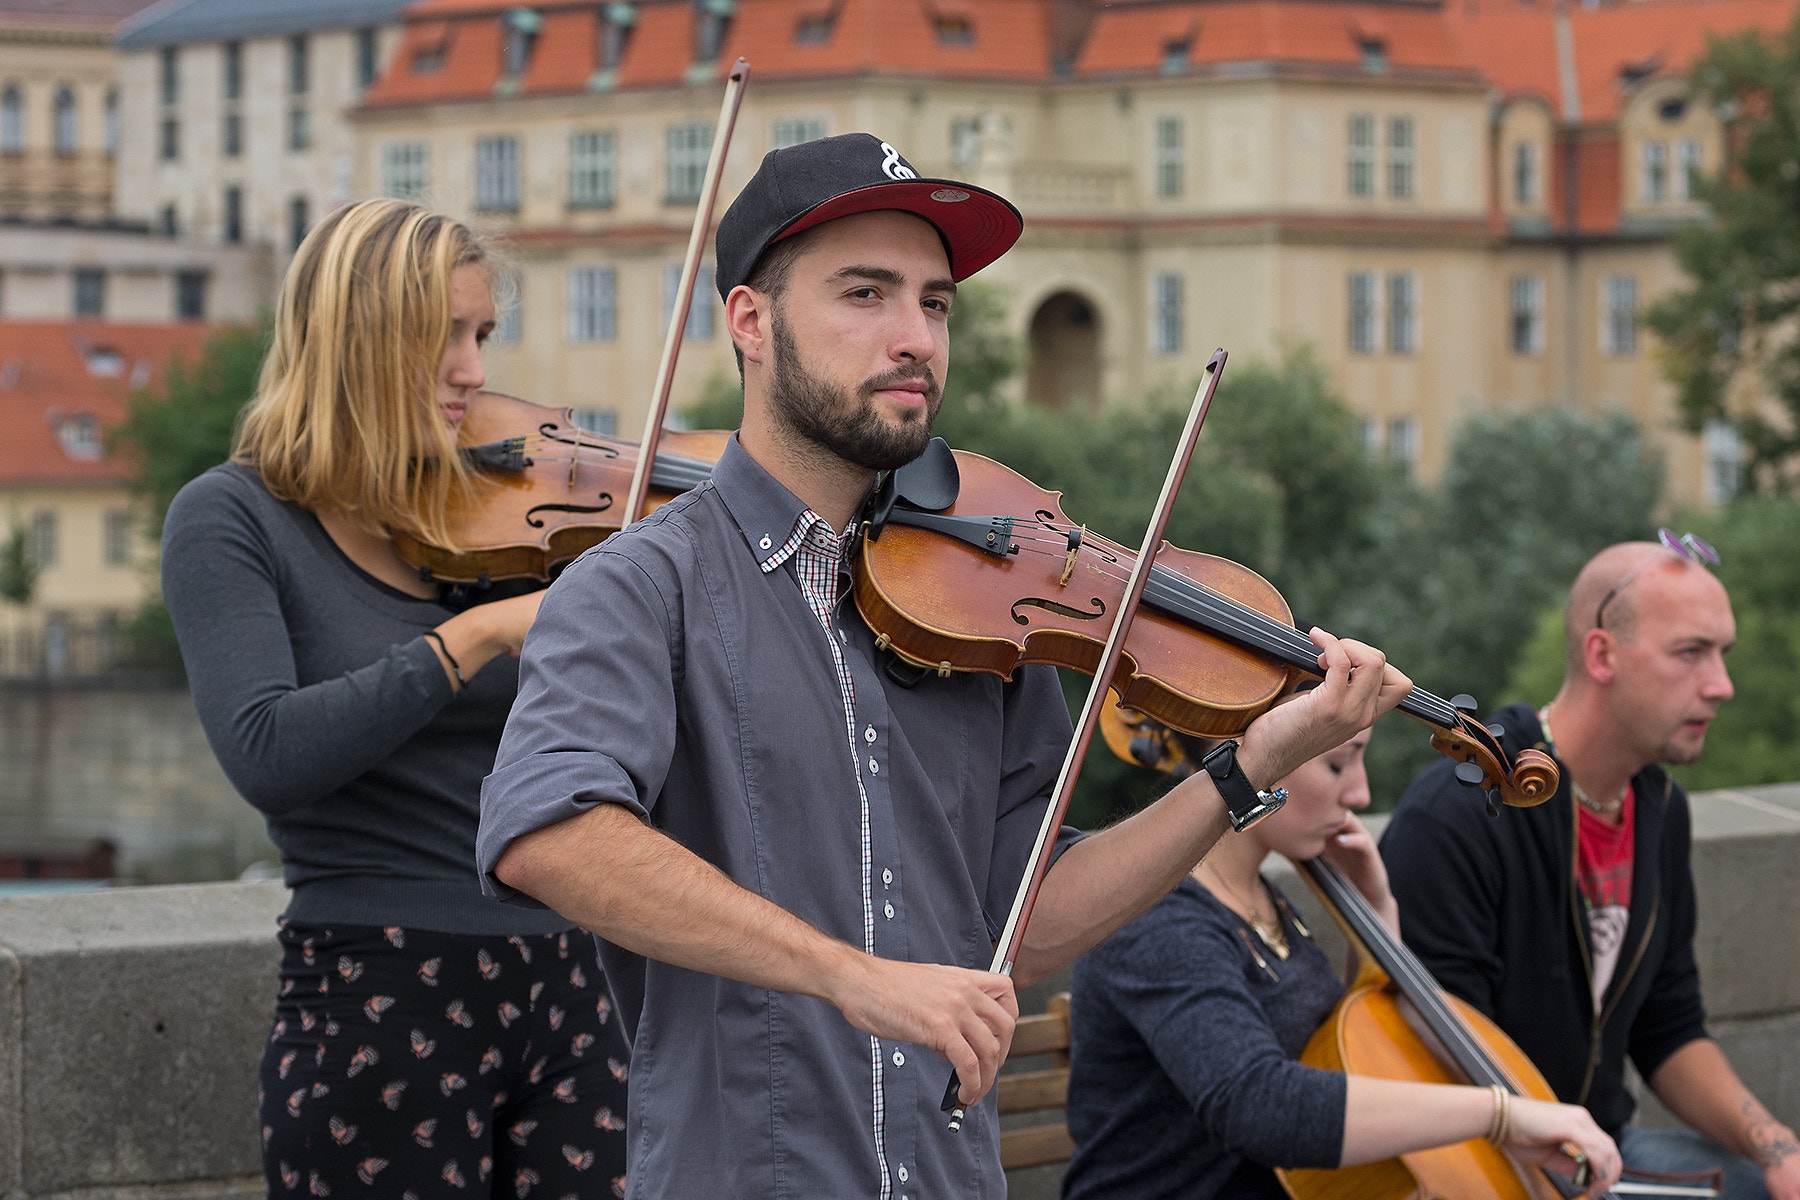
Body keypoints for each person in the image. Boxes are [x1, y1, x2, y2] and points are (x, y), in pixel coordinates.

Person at [475, 132, 1411, 1199]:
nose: (914, 335)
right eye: (865, 294)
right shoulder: (642, 586)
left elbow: (1028, 917)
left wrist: (1244, 770)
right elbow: (549, 832)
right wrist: (854, 977)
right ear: (750, 320)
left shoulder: (981, 610)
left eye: (935, 303)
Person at [161, 199, 629, 1199]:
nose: (473, 370)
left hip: (577, 987)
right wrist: (481, 633)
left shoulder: (503, 519)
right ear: (357, 341)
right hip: (380, 998)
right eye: (442, 338)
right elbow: (268, 751)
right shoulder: (233, 519)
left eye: (482, 335)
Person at [1383, 534, 1800, 1199]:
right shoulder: (1461, 814)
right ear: (1602, 654)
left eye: (1722, 654)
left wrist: (1778, 1149)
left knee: (1757, 1183)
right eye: (1691, 653)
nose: (1721, 686)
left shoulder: (1658, 807)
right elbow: (1436, 1053)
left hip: (1599, 1150)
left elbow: (1669, 1025)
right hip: (1485, 1165)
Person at [1062, 722, 1622, 1199]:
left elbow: (1342, 1046)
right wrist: (1499, 1113)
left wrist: (1379, 917)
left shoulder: (1261, 897)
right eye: (1337, 764)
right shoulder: (1156, 916)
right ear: (1249, 753)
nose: (1360, 793)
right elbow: (1260, 1104)